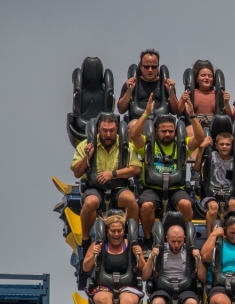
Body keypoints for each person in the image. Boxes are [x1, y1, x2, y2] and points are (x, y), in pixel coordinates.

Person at [132, 94, 202, 238]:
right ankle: (147, 238)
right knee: (146, 206)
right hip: (153, 188)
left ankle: (184, 238)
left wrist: (192, 116)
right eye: (164, 131)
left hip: (176, 189)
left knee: (187, 205)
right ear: (156, 131)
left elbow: (200, 138)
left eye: (171, 131)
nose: (168, 134)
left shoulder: (181, 145)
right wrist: (146, 113)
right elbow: (134, 135)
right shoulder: (148, 144)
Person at [70, 113, 142, 244]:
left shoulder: (126, 146)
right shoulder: (85, 145)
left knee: (131, 200)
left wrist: (113, 174)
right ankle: (85, 240)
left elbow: (136, 168)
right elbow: (76, 172)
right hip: (95, 189)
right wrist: (87, 157)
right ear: (98, 129)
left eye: (111, 131)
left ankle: (133, 239)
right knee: (90, 202)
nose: (108, 135)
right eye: (104, 131)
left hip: (118, 188)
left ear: (117, 129)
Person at [81, 213, 145, 304]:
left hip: (127, 285)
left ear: (124, 231)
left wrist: (139, 256)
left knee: (129, 302)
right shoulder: (97, 245)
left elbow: (144, 272)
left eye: (119, 231)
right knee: (102, 300)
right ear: (106, 232)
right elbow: (86, 267)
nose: (116, 234)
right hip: (104, 285)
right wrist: (94, 255)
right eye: (113, 231)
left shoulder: (131, 245)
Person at [189, 130, 235, 233]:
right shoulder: (211, 156)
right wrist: (201, 148)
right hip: (211, 192)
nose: (224, 146)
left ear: (232, 146)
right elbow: (196, 167)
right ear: (216, 145)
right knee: (213, 207)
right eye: (221, 144)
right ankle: (210, 237)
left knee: (234, 204)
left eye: (227, 144)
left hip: (230, 193)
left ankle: (231, 234)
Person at [118, 48, 181, 124]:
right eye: (146, 67)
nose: (150, 70)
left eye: (154, 67)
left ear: (158, 67)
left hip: (160, 122)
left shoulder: (166, 84)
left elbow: (175, 111)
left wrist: (171, 92)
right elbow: (121, 109)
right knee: (133, 125)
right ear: (141, 67)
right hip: (137, 120)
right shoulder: (130, 83)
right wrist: (129, 91)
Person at [180, 59, 232, 136]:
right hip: (195, 126)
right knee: (191, 130)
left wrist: (226, 102)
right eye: (203, 75)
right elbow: (178, 112)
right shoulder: (190, 93)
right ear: (197, 79)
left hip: (214, 128)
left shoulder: (218, 94)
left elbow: (229, 115)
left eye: (210, 76)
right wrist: (183, 101)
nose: (207, 78)